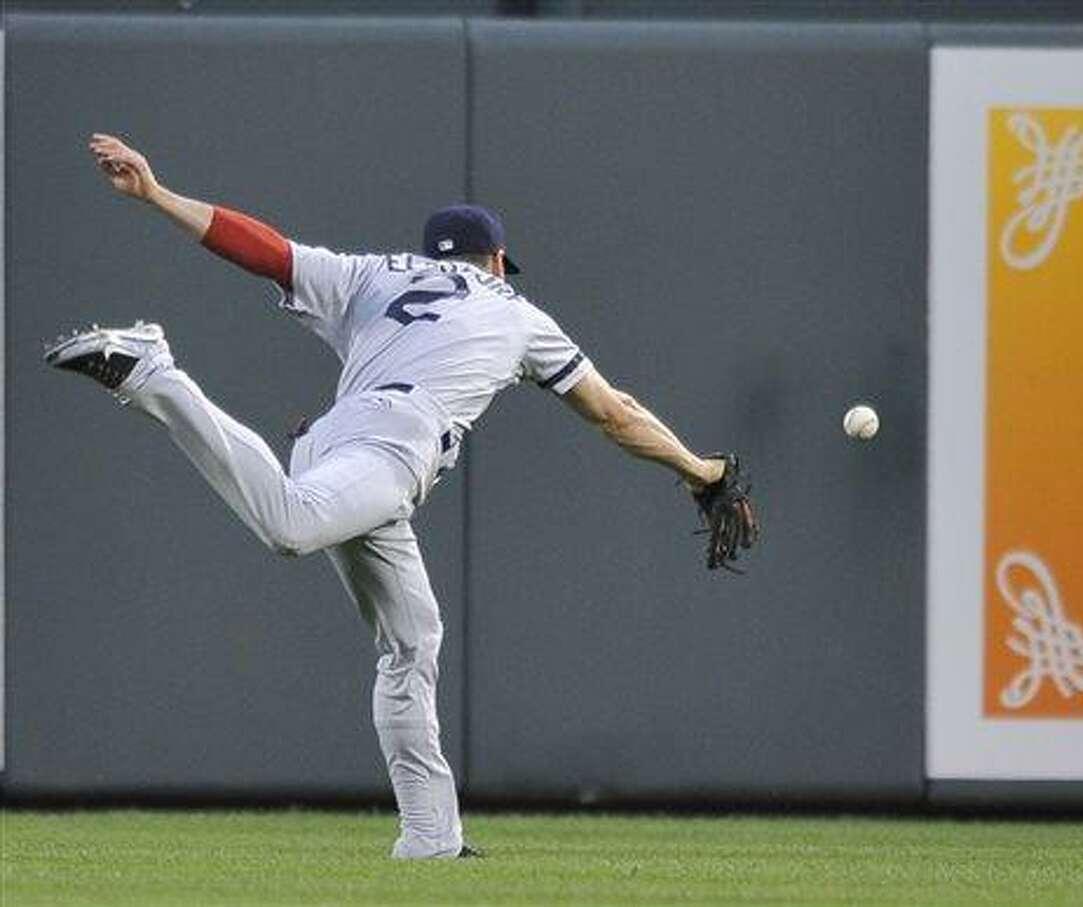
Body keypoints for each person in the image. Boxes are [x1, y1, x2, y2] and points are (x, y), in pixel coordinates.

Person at [48, 133, 729, 860]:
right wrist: (701, 471)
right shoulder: (518, 312)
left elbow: (263, 249)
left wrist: (156, 194)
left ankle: (431, 837)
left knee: (411, 641)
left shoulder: (376, 274)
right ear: (497, 261)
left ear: (434, 257)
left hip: (339, 436)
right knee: (287, 527)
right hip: (393, 443)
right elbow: (615, 414)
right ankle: (155, 374)